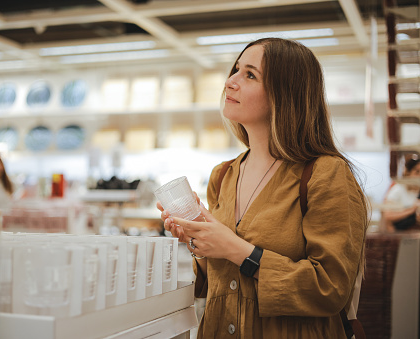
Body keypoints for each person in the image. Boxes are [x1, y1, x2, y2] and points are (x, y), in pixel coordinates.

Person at [157, 38, 368, 338]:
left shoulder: (326, 174)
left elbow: (330, 287)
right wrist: (198, 239)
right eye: (235, 70)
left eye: (250, 75)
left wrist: (235, 248)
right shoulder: (223, 175)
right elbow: (216, 281)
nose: (230, 82)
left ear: (285, 95)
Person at [382, 157, 420, 232]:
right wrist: (412, 210)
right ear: (408, 173)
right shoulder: (398, 190)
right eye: (417, 172)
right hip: (401, 235)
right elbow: (387, 216)